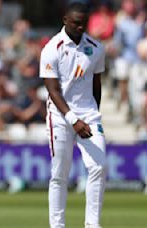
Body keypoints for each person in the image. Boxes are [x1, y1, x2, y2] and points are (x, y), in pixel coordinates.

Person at [39, 2, 107, 228]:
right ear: (65, 20)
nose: (81, 27)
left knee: (99, 167)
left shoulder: (96, 47)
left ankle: (92, 225)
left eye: (84, 23)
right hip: (60, 117)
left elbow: (96, 84)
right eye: (77, 23)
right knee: (60, 175)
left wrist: (92, 113)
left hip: (88, 115)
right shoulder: (52, 48)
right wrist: (72, 119)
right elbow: (53, 91)